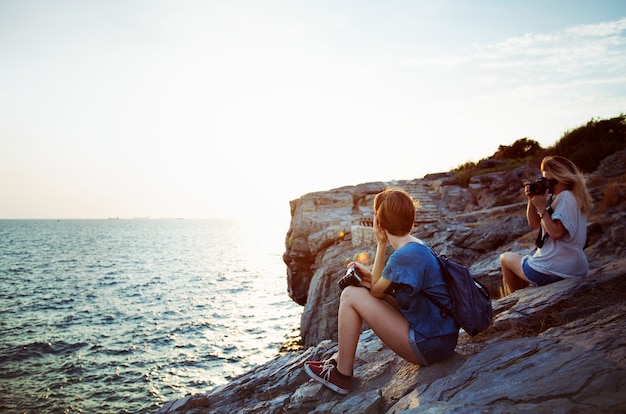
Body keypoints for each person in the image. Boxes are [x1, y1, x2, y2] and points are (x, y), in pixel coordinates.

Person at [303, 189, 459, 394]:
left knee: (350, 294)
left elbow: (377, 292)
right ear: (411, 219)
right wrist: (369, 278)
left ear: (379, 223)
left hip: (430, 344)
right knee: (362, 288)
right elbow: (390, 291)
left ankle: (341, 375)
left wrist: (381, 242)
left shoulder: (402, 256)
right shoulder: (419, 246)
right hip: (443, 338)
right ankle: (340, 358)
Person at [500, 155, 593, 295]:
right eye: (546, 181)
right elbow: (534, 223)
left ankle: (517, 299)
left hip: (553, 270)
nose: (550, 186)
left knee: (505, 258)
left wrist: (542, 209)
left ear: (565, 178)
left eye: (553, 182)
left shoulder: (566, 197)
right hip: (572, 267)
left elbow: (556, 233)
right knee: (522, 262)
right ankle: (523, 296)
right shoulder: (574, 197)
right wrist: (532, 200)